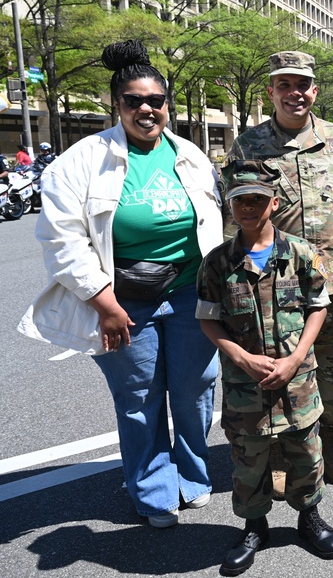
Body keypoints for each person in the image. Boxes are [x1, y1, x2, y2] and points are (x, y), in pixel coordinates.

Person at [18, 40, 222, 528]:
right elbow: (62, 240)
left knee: (196, 391)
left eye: (155, 100)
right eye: (134, 101)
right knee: (139, 400)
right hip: (123, 300)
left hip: (192, 292)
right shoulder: (82, 160)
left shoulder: (188, 152)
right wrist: (104, 304)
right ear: (118, 105)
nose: (147, 109)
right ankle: (152, 490)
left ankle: (192, 477)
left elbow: (215, 220)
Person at [197, 160, 333, 575]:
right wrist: (240, 357)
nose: (248, 207)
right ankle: (253, 527)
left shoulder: (300, 254)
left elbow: (319, 307)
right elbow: (208, 318)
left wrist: (297, 358)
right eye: (240, 200)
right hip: (246, 387)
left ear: (274, 203)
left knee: (306, 455)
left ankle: (308, 519)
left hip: (298, 383)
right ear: (230, 206)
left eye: (257, 200)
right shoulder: (217, 263)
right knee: (249, 459)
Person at [226, 51, 333, 490]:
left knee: (332, 367)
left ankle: (330, 440)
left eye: (301, 85)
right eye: (284, 85)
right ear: (271, 92)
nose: (294, 93)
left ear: (314, 91)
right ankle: (283, 451)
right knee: (280, 368)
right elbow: (236, 215)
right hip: (274, 284)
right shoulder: (248, 145)